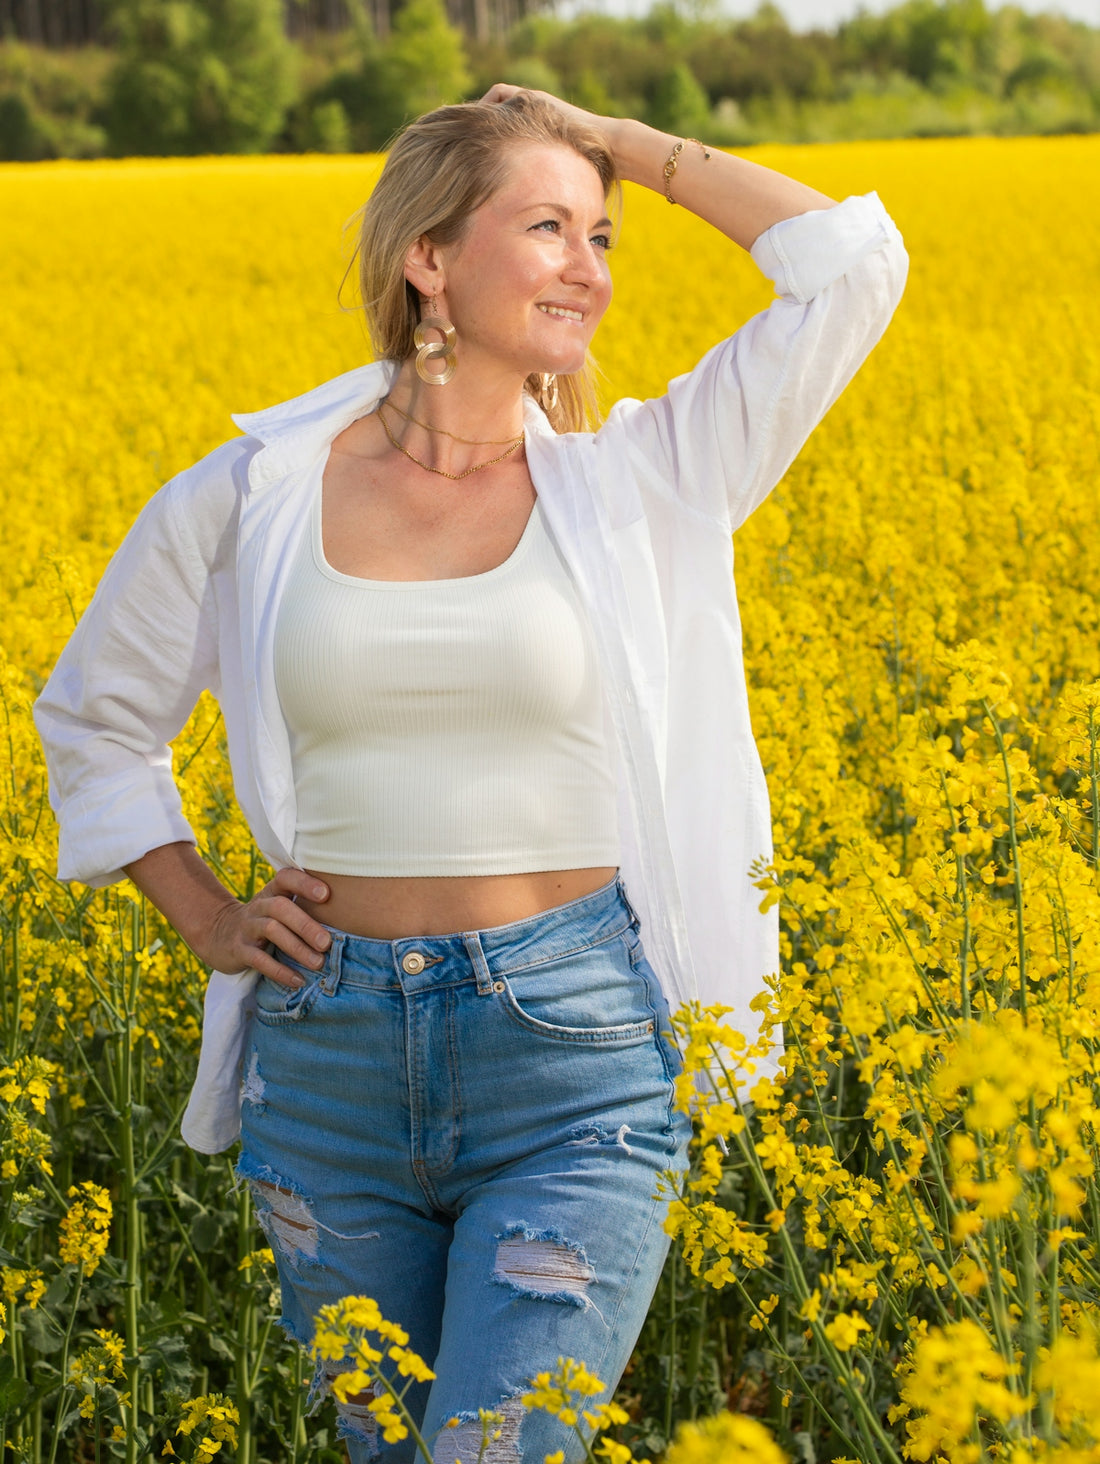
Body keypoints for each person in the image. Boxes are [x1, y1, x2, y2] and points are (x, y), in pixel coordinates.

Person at [35, 86, 907, 1464]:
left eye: (602, 236)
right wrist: (205, 915)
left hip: (573, 1062)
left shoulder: (644, 481)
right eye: (548, 227)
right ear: (427, 258)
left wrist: (613, 141)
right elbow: (95, 719)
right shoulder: (253, 494)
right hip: (326, 1064)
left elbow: (850, 269)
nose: (589, 266)